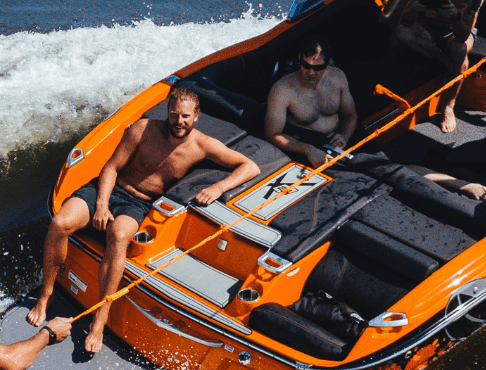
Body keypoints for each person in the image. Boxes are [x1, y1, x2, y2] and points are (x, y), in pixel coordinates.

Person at [28, 84, 260, 353]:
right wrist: (101, 205)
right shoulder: (143, 129)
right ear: (167, 112)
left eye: (185, 116)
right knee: (59, 224)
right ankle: (46, 295)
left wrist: (219, 187)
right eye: (174, 114)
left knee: (119, 236)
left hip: (137, 204)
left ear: (196, 116)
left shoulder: (203, 145)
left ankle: (99, 321)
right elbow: (111, 167)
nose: (179, 122)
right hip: (107, 188)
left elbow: (249, 166)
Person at [395, 0, 486, 134]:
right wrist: (416, 9)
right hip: (428, 25)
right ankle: (443, 60)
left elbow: (463, 35)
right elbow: (406, 21)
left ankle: (449, 107)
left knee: (460, 51)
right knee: (402, 33)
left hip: (458, 28)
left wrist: (455, 17)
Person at [264, 38, 357, 168]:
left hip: (341, 140)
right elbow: (272, 134)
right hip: (308, 146)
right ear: (300, 59)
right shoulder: (282, 90)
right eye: (306, 66)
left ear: (329, 63)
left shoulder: (338, 77)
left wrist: (344, 137)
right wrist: (308, 150)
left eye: (318, 67)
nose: (311, 72)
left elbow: (350, 115)